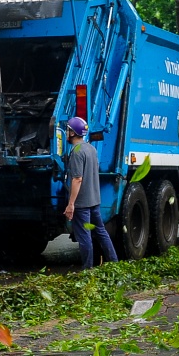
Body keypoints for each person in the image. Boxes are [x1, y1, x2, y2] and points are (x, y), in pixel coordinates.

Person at [63, 116, 118, 270]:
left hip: (82, 203)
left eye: (67, 130)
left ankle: (87, 269)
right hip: (94, 200)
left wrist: (71, 204)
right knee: (101, 232)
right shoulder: (91, 149)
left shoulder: (77, 152)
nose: (66, 132)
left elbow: (77, 179)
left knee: (84, 236)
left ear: (72, 133)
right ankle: (114, 262)